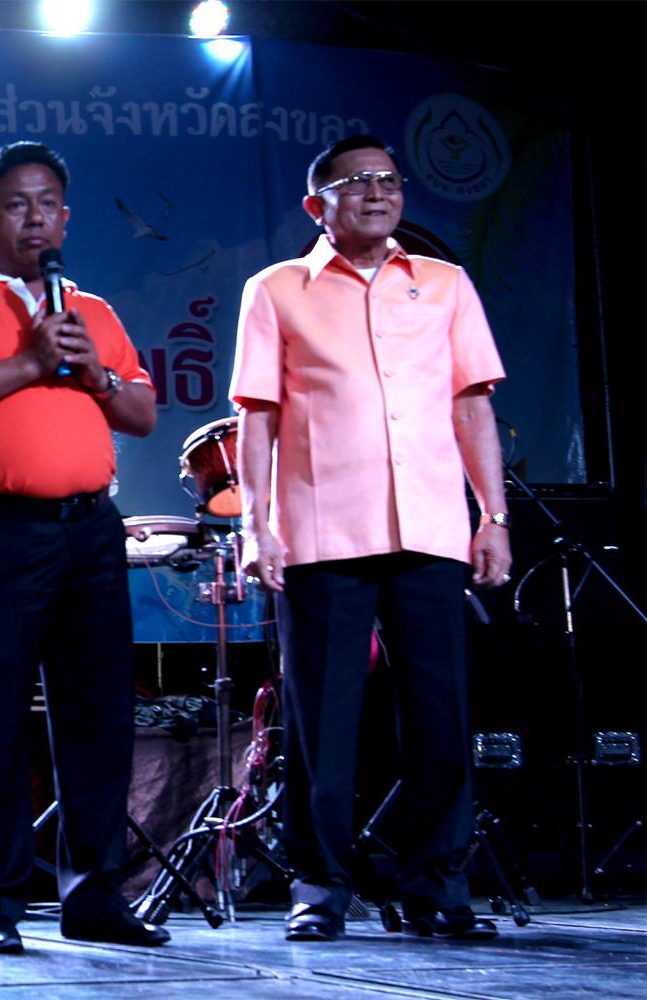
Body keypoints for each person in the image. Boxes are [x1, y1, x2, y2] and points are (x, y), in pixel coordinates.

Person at [230, 134, 511, 942]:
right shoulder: (277, 289)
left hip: (431, 526)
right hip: (321, 531)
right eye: (356, 182)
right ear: (317, 205)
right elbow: (259, 415)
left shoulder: (445, 284)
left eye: (389, 179)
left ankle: (438, 887)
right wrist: (256, 525)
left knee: (440, 714)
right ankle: (319, 887)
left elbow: (471, 406)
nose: (378, 192)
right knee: (322, 719)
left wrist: (492, 517)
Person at [0, 141, 167, 954]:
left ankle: (94, 897)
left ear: (66, 218)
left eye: (48, 203)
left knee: (98, 718)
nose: (35, 218)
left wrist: (96, 376)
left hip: (91, 532)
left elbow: (142, 413)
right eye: (16, 204)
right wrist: (27, 362)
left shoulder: (94, 312)